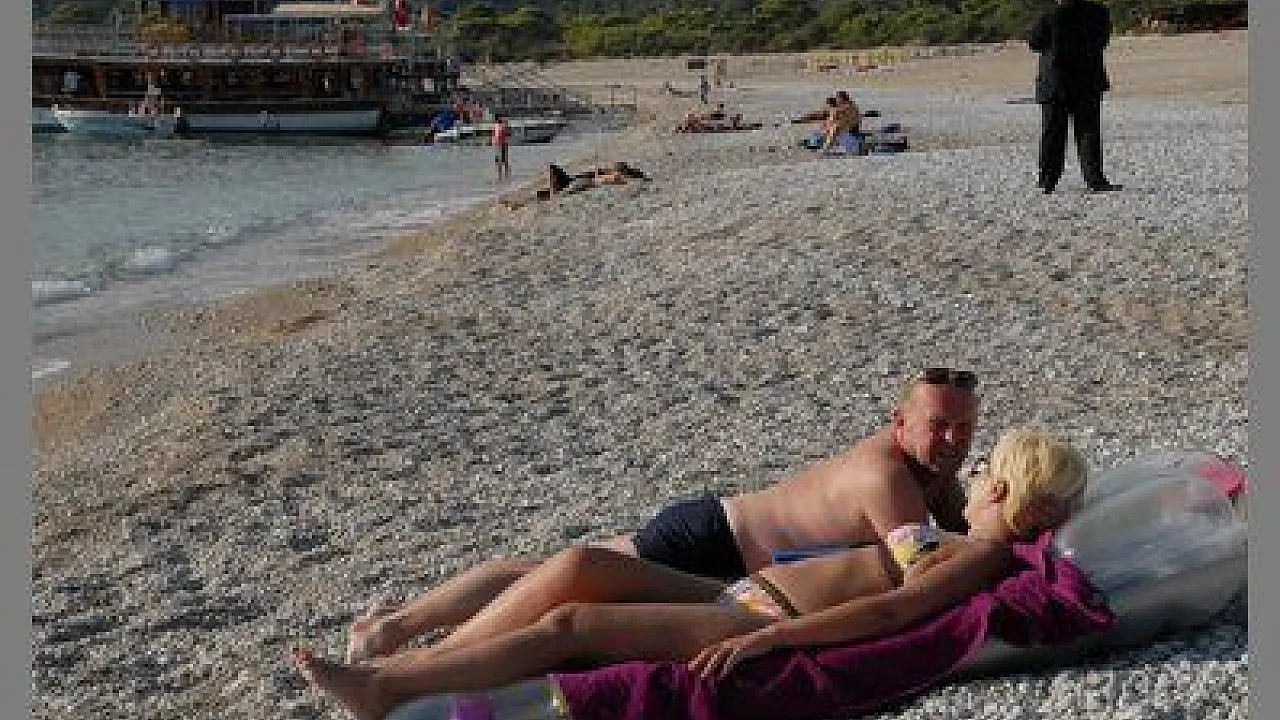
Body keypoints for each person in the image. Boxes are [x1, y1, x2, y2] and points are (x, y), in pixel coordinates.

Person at [292, 429, 1089, 720]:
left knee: (572, 626)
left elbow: (890, 617)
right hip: (743, 593)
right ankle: (421, 658)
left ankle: (387, 687)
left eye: (982, 468)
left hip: (756, 619)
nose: (969, 472)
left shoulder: (979, 555)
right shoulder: (963, 537)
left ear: (999, 488)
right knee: (581, 565)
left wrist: (774, 641)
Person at [341, 368, 980, 664]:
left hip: (715, 528)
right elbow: (923, 576)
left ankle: (396, 625)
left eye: (963, 428)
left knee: (543, 571)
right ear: (898, 423)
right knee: (558, 580)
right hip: (712, 548)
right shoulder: (888, 479)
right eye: (938, 426)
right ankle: (416, 647)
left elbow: (952, 528)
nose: (952, 440)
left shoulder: (924, 469)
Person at [1028, 0, 1122, 194]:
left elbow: (1034, 43)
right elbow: (1103, 41)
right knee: (1089, 132)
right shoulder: (1099, 12)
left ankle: (1047, 180)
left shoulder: (1050, 14)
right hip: (1088, 79)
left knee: (1053, 134)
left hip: (1055, 81)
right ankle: (1095, 179)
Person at [491, 114, 511, 182]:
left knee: (504, 160)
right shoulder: (496, 126)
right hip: (499, 145)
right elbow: (494, 135)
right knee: (499, 161)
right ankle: (501, 176)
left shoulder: (502, 126)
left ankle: (505, 175)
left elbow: (505, 134)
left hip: (502, 144)